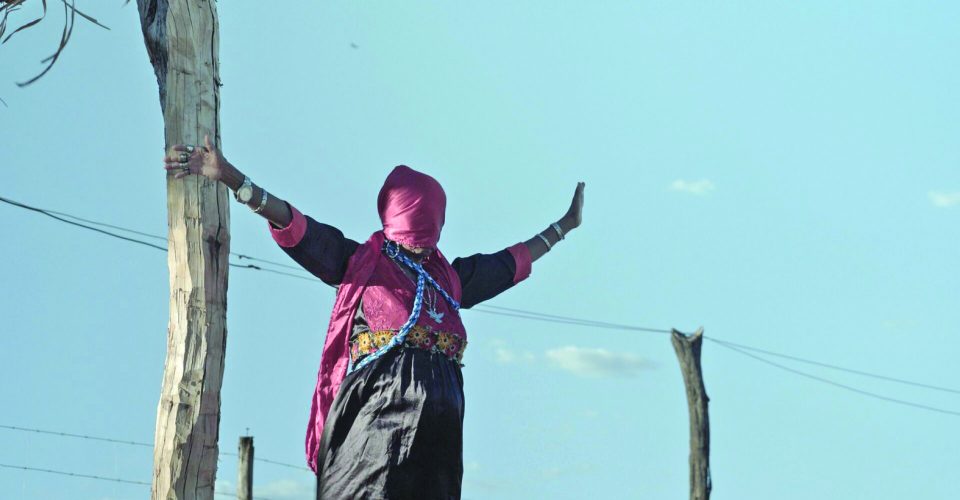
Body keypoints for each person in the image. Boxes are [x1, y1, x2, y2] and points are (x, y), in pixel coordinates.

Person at [164, 136, 585, 499]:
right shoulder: (359, 263)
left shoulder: (449, 279)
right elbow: (294, 224)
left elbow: (508, 264)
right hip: (376, 423)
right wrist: (230, 176)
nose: (420, 241)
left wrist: (563, 226)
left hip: (437, 436)